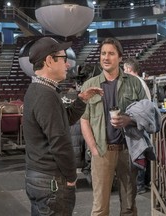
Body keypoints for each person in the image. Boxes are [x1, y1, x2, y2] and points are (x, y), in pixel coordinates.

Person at [23, 37, 103, 216]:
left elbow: (63, 120)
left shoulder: (37, 90)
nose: (67, 65)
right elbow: (60, 141)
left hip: (37, 177)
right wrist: (71, 177)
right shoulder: (46, 95)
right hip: (50, 181)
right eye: (64, 59)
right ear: (49, 61)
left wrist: (81, 100)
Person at [80, 37, 148, 216]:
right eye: (103, 53)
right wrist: (93, 148)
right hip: (102, 151)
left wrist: (129, 120)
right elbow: (84, 119)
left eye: (111, 53)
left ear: (120, 58)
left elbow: (147, 114)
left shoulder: (134, 83)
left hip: (128, 150)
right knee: (100, 207)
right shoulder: (90, 85)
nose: (106, 57)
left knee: (129, 206)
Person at [124, 57, 151, 195]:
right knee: (144, 153)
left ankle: (140, 185)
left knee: (139, 153)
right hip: (143, 122)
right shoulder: (141, 81)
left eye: (124, 69)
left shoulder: (135, 82)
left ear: (129, 69)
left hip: (139, 123)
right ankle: (144, 183)